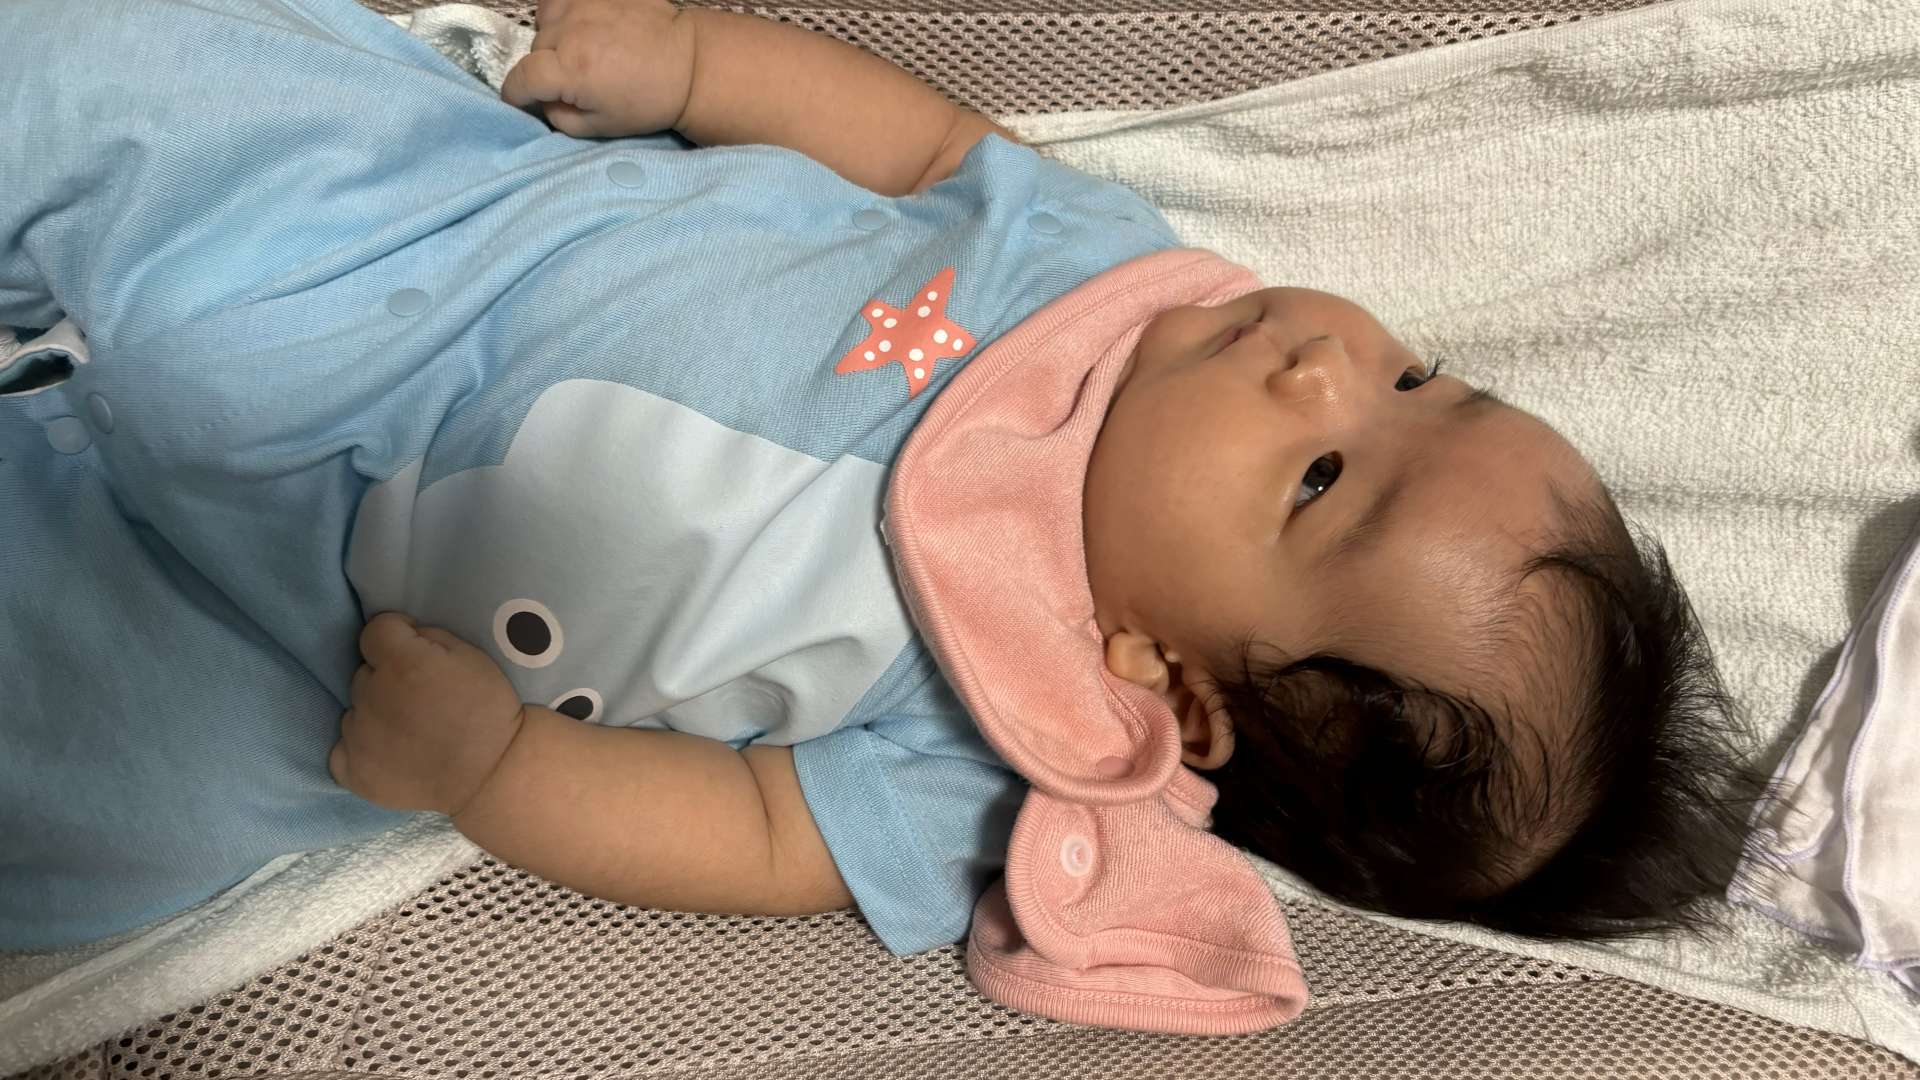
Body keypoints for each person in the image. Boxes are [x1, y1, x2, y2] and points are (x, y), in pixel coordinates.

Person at [0, 0, 1779, 955]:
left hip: (293, 621)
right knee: (145, 58)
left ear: (1178, 686)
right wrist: (698, 60)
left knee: (110, 780)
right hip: (420, 230)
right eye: (1420, 379)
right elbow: (927, 146)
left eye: (1321, 480)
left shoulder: (1000, 758)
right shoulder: (1102, 276)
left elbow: (761, 833)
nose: (1325, 361)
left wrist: (498, 770)